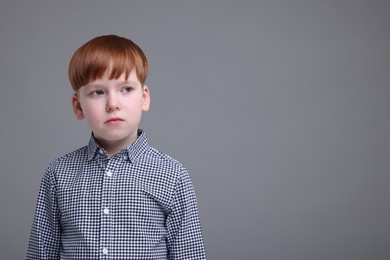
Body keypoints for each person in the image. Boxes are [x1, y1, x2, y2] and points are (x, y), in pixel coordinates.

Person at [26, 34, 206, 260]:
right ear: (78, 106)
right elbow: (41, 254)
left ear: (144, 98)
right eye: (98, 92)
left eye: (126, 89)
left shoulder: (172, 175)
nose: (113, 104)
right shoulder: (58, 174)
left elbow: (189, 255)